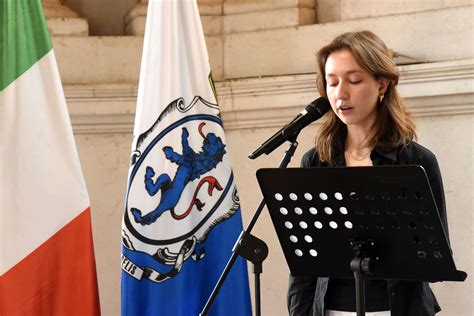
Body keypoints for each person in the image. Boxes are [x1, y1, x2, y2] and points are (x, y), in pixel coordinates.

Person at [287, 30, 449, 316]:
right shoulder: (315, 162)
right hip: (330, 310)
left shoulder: (417, 161)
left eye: (354, 80)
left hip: (397, 310)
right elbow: (305, 266)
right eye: (332, 82)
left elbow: (435, 259)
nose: (341, 94)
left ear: (382, 84)